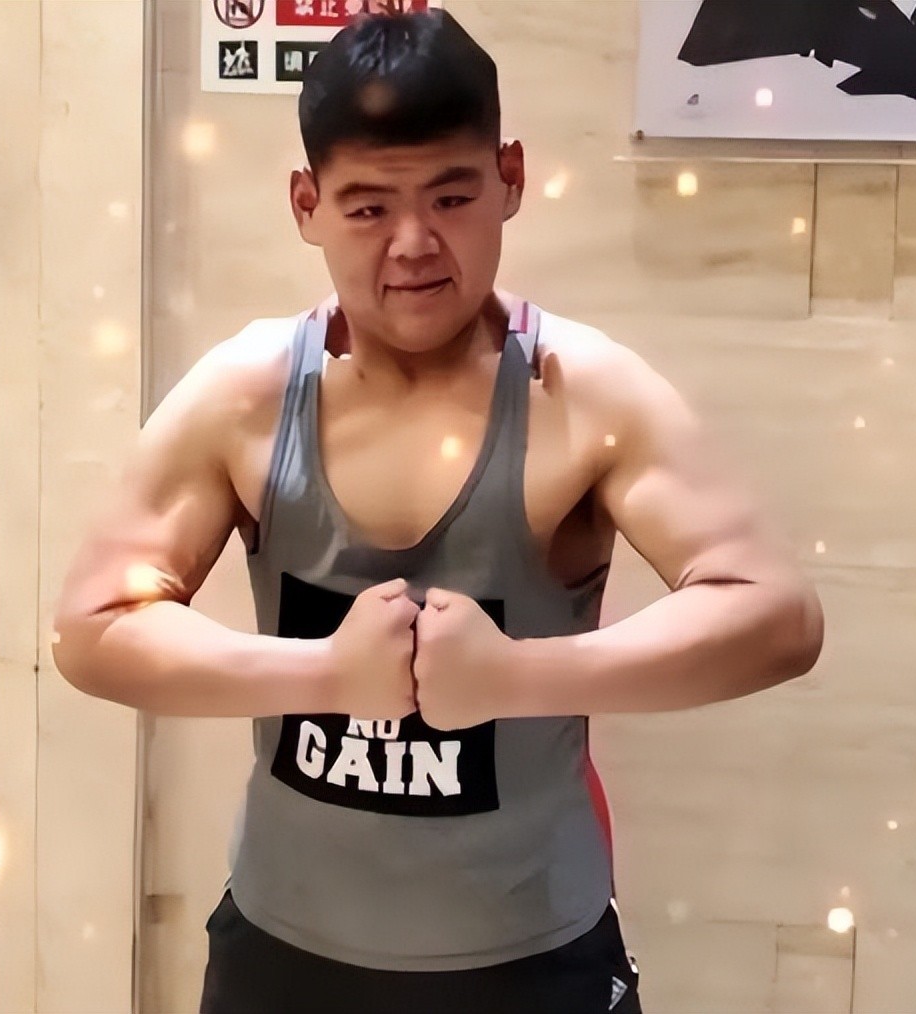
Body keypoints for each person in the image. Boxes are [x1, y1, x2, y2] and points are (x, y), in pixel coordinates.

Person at [52, 10, 824, 1013]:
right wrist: (324, 674)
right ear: (307, 204)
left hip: (532, 963)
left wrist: (513, 675)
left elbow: (776, 617)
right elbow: (91, 629)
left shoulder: (581, 392)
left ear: (510, 179)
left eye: (451, 197)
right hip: (285, 956)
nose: (413, 244)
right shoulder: (247, 394)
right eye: (368, 207)